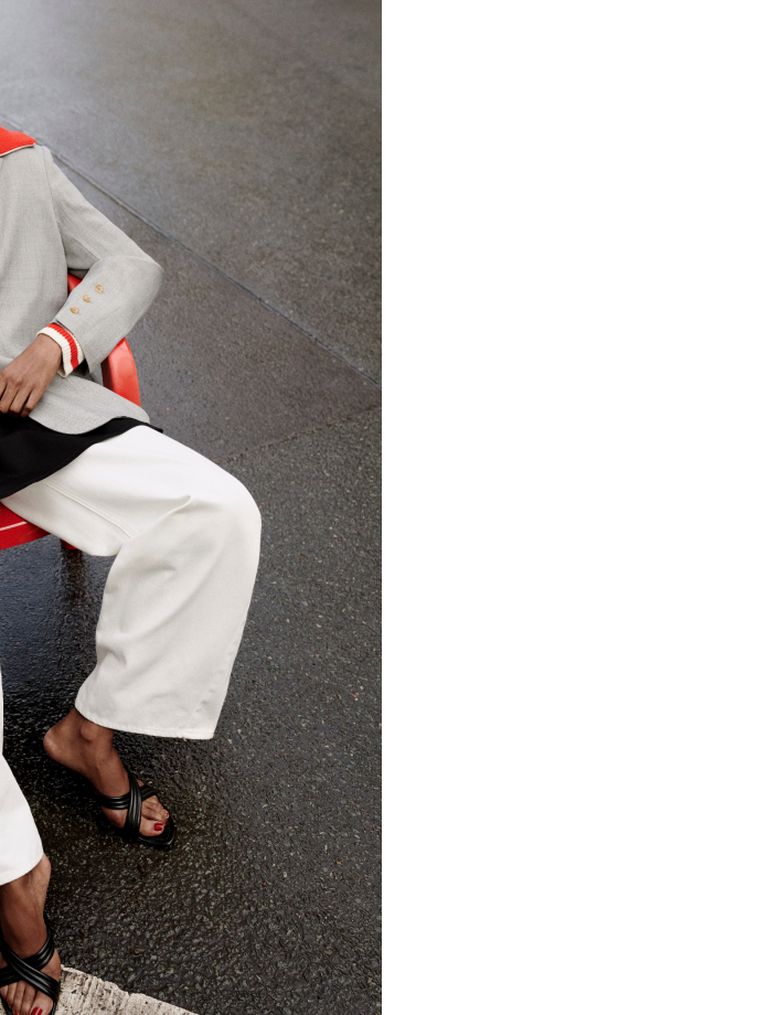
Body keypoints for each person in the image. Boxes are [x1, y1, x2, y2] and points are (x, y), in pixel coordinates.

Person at [0, 125, 262, 1015]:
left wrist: (57, 343)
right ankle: (12, 871)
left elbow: (128, 265)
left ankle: (92, 726)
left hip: (36, 411)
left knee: (219, 512)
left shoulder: (17, 159)